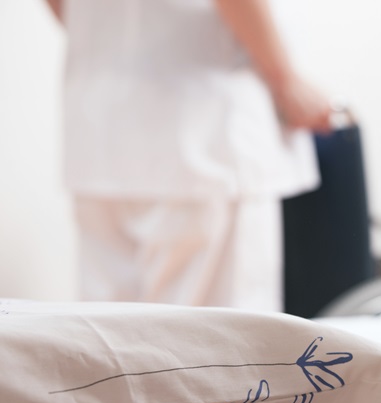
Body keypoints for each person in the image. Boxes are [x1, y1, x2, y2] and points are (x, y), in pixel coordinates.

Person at [44, 0, 331, 311]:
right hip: (201, 131)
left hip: (100, 128)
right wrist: (284, 80)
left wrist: (107, 40)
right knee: (214, 342)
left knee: (110, 334)